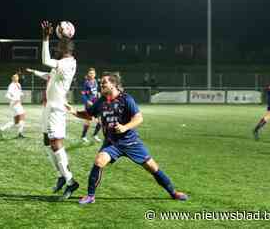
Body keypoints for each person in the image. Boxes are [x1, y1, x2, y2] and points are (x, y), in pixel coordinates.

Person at [65, 72, 188, 204]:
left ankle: (173, 192)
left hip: (131, 142)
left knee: (152, 167)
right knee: (99, 161)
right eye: (101, 83)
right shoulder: (101, 101)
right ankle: (90, 196)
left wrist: (125, 127)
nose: (101, 85)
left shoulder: (126, 99)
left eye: (104, 83)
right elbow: (89, 115)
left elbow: (138, 118)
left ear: (113, 85)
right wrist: (74, 112)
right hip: (112, 143)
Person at [34, 20, 79, 200]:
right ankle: (61, 175)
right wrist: (34, 72)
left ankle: (70, 181)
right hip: (49, 108)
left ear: (66, 49)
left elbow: (45, 60)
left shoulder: (68, 62)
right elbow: (49, 75)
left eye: (60, 46)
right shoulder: (61, 64)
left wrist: (45, 38)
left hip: (56, 109)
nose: (57, 48)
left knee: (55, 143)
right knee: (46, 141)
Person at [0, 73, 25, 139]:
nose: (17, 78)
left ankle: (2, 129)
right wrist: (14, 99)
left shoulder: (18, 84)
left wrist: (21, 94)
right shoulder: (11, 85)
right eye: (15, 77)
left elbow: (19, 92)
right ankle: (20, 133)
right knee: (22, 116)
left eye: (17, 77)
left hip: (17, 103)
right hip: (15, 104)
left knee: (16, 122)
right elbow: (7, 95)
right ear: (12, 79)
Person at [80, 67, 102, 143]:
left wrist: (99, 96)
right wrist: (87, 101)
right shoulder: (86, 83)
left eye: (93, 73)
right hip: (89, 104)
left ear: (95, 74)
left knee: (100, 121)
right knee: (88, 121)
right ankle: (83, 136)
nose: (91, 74)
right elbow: (83, 94)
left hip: (96, 103)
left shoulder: (95, 81)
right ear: (88, 74)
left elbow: (97, 91)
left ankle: (95, 135)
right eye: (90, 73)